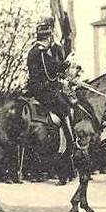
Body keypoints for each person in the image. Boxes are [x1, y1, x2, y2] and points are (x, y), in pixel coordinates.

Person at [26, 18, 73, 147]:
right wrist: (67, 62)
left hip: (35, 88)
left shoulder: (33, 51)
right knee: (65, 107)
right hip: (43, 89)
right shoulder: (41, 52)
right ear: (48, 37)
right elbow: (52, 70)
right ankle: (71, 142)